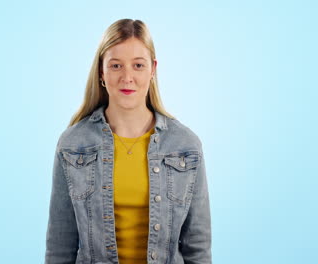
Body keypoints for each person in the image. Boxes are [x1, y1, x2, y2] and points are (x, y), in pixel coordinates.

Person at [45, 18, 212, 264]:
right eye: (115, 65)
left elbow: (197, 248)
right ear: (101, 71)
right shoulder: (72, 144)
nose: (127, 77)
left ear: (153, 69)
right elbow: (60, 245)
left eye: (138, 65)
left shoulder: (185, 146)